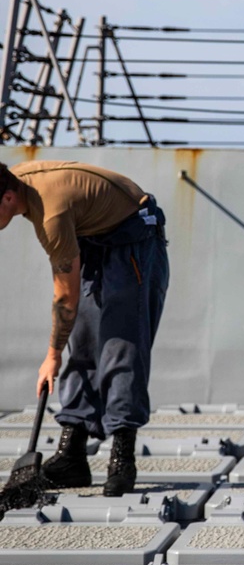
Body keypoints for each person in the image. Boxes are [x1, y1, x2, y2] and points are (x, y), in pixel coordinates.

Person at [0, 160, 169, 495]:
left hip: (133, 237)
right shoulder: (16, 181)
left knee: (122, 347)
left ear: (7, 198)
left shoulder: (51, 215)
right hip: (95, 236)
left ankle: (122, 457)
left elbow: (65, 296)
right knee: (85, 341)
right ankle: (72, 454)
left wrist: (51, 356)